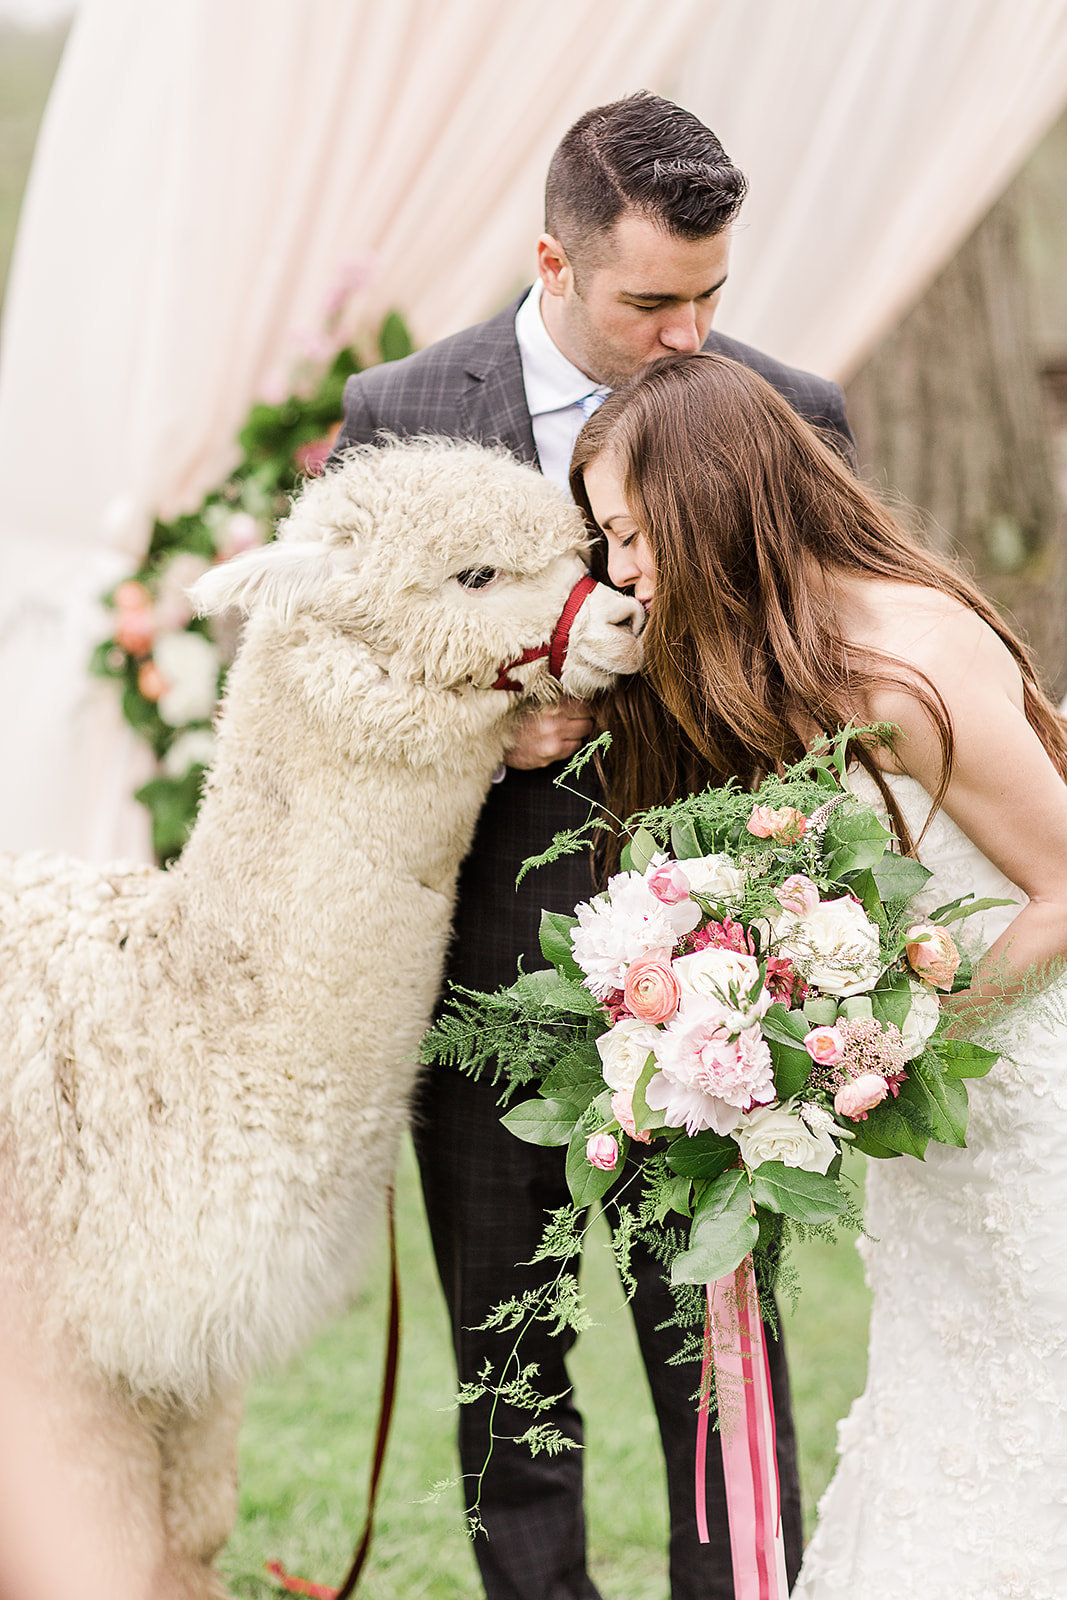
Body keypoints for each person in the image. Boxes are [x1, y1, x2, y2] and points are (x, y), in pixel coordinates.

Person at [329, 92, 855, 1599]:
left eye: (710, 298)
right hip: (483, 973)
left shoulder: (789, 414)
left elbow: (824, 697)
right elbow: (333, 690)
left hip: (714, 1001)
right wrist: (473, 734)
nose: (689, 335)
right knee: (510, 1381)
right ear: (550, 265)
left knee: (718, 1378)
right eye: (651, 302)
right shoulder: (400, 413)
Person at [571, 349, 1067, 1598]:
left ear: (704, 502)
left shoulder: (904, 658)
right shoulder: (779, 659)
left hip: (1025, 1107)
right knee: (936, 1397)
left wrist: (898, 1044)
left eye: (628, 533)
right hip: (932, 1145)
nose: (619, 569)